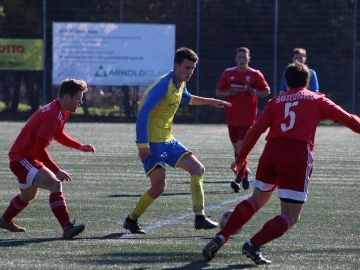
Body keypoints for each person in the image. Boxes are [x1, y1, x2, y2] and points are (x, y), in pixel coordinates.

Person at [202, 62, 360, 264]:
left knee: (255, 200)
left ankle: (221, 236)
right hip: (296, 154)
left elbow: (255, 131)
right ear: (307, 81)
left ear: (285, 82)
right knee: (291, 215)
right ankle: (253, 244)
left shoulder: (275, 101)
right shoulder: (317, 99)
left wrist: (240, 159)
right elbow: (351, 121)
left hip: (271, 152)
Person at [123, 47, 232, 234]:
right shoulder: (164, 85)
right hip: (152, 141)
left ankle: (200, 217)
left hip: (168, 139)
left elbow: (187, 98)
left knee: (198, 169)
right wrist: (143, 145)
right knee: (158, 186)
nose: (190, 72)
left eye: (192, 69)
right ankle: (131, 219)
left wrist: (211, 100)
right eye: (187, 68)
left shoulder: (179, 83)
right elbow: (143, 114)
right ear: (176, 66)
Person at [0, 78, 96, 238]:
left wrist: (79, 146)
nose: (81, 102)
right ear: (67, 97)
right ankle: (67, 227)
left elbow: (59, 134)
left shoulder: (62, 112)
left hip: (27, 158)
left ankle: (5, 220)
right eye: (79, 98)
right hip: (22, 159)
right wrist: (56, 171)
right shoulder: (51, 115)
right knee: (54, 183)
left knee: (28, 195)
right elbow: (39, 149)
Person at [215, 47, 270, 193]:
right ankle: (245, 174)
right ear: (235, 59)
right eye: (239, 57)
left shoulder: (255, 74)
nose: (242, 60)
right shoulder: (228, 73)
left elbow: (267, 90)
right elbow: (218, 91)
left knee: (241, 147)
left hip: (248, 118)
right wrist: (227, 93)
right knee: (237, 149)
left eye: (244, 57)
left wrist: (255, 92)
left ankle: (238, 181)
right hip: (232, 117)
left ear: (249, 59)